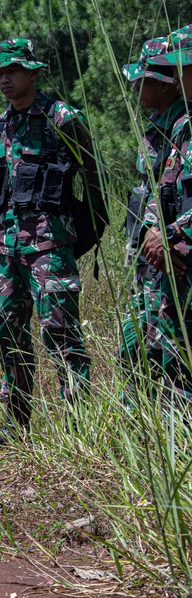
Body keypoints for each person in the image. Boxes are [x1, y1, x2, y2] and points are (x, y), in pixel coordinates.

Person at [0, 39, 103, 449]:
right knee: (8, 331)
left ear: (33, 72)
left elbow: (93, 178)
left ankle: (79, 429)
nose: (4, 79)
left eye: (12, 71)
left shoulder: (62, 118)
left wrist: (87, 234)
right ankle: (16, 426)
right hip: (7, 247)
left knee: (60, 332)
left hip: (50, 245)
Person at [118, 38, 184, 386]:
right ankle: (139, 426)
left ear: (165, 83)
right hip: (148, 258)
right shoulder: (158, 125)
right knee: (136, 344)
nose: (135, 87)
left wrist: (171, 236)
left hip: (174, 257)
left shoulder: (184, 126)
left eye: (142, 80)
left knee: (173, 355)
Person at [143, 25, 192, 400]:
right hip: (174, 262)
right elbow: (165, 191)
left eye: (184, 67)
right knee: (170, 360)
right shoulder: (181, 127)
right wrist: (155, 232)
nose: (177, 77)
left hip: (180, 254)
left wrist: (171, 234)